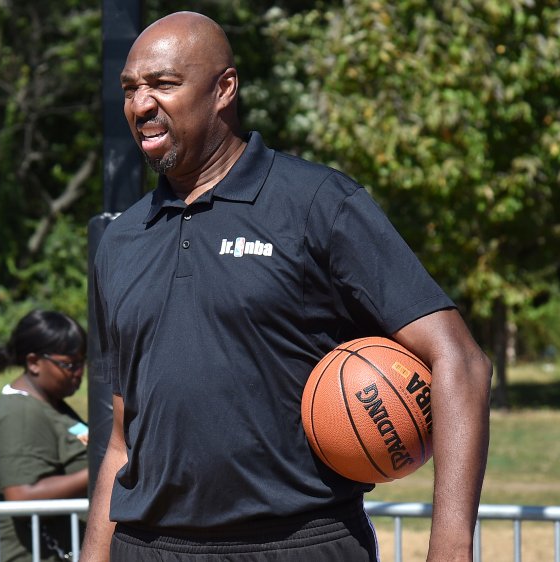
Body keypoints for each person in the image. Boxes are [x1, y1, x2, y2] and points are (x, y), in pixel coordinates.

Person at [84, 11, 491, 562]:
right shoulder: (122, 240)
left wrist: (450, 545)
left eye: (164, 84)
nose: (140, 105)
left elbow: (459, 361)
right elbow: (120, 440)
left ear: (224, 89)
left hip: (297, 543)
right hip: (148, 547)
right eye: (130, 89)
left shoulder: (317, 203)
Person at [0, 309, 90, 562]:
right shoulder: (20, 413)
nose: (79, 372)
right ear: (34, 362)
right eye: (69, 364)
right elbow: (22, 495)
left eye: (82, 362)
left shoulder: (51, 403)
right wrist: (103, 473)